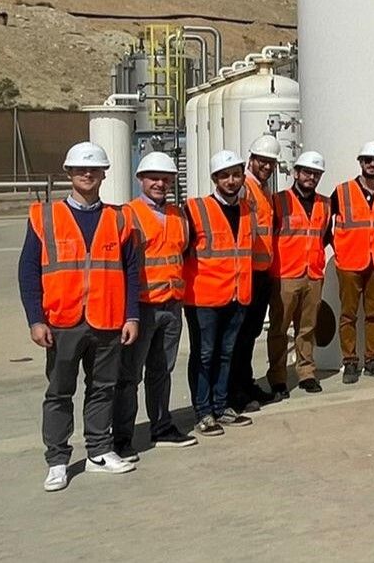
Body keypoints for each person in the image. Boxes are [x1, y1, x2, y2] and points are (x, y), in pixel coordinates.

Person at [20, 141, 143, 491]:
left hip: (107, 319)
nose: (87, 174)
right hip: (62, 321)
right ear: (69, 173)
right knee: (59, 391)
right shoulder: (45, 216)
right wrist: (35, 318)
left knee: (103, 388)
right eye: (80, 169)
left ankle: (98, 452)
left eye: (94, 169)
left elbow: (131, 270)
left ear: (104, 174)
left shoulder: (119, 218)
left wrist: (131, 315)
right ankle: (57, 460)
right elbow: (28, 270)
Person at [113, 151, 195, 462]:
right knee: (129, 376)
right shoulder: (128, 215)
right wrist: (127, 312)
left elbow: (181, 254)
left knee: (162, 371)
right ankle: (122, 437)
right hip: (142, 308)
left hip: (172, 306)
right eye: (154, 178)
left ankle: (161, 426)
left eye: (166, 179)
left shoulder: (178, 216)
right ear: (140, 180)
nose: (160, 184)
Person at [184, 150, 265, 437]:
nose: (231, 181)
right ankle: (203, 412)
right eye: (225, 176)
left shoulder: (246, 209)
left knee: (226, 354)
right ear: (215, 179)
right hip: (204, 299)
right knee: (205, 355)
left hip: (237, 295)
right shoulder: (195, 210)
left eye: (236, 175)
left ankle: (222, 406)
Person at [268, 151, 332, 399]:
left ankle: (306, 373)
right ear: (296, 173)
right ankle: (278, 377)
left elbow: (324, 236)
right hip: (285, 275)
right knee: (279, 329)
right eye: (307, 172)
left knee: (307, 328)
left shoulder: (325, 204)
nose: (311, 177)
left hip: (313, 274)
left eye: (316, 174)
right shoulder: (279, 201)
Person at [331, 141, 374, 384]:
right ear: (360, 162)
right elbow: (324, 224)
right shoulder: (342, 191)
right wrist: (338, 250)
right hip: (348, 263)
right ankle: (350, 362)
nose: (372, 164)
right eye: (367, 160)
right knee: (348, 314)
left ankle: (371, 360)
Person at [229, 134, 281, 412]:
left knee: (249, 336)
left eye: (271, 163)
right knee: (239, 337)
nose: (267, 166)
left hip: (261, 272)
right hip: (246, 272)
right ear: (251, 159)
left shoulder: (263, 190)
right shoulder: (245, 188)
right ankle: (235, 391)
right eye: (262, 161)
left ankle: (246, 383)